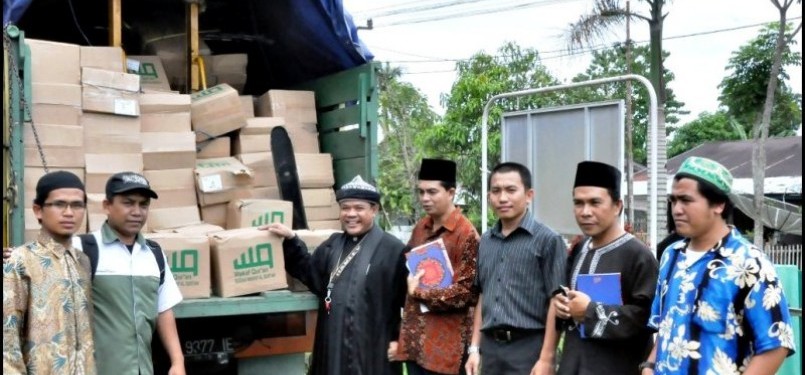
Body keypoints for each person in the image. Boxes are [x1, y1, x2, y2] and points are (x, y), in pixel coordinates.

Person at [643, 156, 796, 374]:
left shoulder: (750, 263)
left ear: (718, 204)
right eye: (673, 200)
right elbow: (667, 324)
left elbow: (777, 344)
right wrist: (649, 365)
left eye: (686, 200)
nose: (676, 209)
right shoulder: (671, 256)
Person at [264, 175, 408, 375]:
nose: (351, 214)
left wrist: (403, 340)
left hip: (373, 352)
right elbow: (309, 273)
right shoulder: (332, 245)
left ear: (373, 210)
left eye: (358, 208)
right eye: (345, 208)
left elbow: (411, 302)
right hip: (333, 348)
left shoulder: (394, 250)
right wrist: (291, 239)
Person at [537, 161, 658, 375]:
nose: (585, 212)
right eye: (579, 203)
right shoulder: (579, 249)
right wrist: (564, 306)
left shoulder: (638, 255)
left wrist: (590, 311)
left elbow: (645, 318)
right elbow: (560, 299)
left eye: (594, 203)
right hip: (573, 364)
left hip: (618, 367)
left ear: (617, 206)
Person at [77, 172, 185, 375]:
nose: (137, 211)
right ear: (107, 206)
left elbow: (163, 309)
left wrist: (177, 362)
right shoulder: (83, 248)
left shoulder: (154, 254)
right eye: (128, 203)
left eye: (143, 205)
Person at [465, 162, 567, 375]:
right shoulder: (485, 241)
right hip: (491, 350)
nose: (502, 198)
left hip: (529, 349)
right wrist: (474, 348)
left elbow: (556, 302)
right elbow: (483, 295)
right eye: (496, 191)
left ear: (529, 195)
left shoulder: (547, 240)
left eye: (511, 190)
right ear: (489, 196)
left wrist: (546, 359)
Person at [393, 159, 481, 375]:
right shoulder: (421, 227)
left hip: (445, 351)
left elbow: (466, 293)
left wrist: (420, 292)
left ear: (451, 192)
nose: (425, 198)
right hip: (414, 345)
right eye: (421, 192)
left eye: (432, 192)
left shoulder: (466, 234)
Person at [3, 171, 96, 374]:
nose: (69, 212)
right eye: (59, 204)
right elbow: (6, 346)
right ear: (38, 210)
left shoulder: (83, 262)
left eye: (77, 205)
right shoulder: (20, 261)